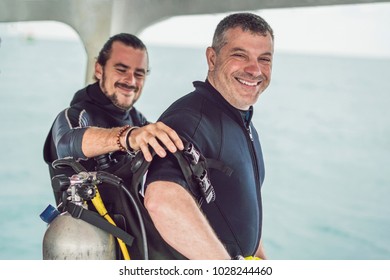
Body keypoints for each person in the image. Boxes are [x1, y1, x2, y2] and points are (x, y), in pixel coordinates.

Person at [143, 12, 274, 260]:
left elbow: (237, 209)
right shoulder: (188, 121)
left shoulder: (243, 123)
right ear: (212, 58)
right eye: (240, 55)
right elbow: (162, 201)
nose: (254, 69)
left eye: (264, 59)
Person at [43, 33, 184, 205]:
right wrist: (127, 137)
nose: (131, 81)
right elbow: (66, 144)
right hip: (83, 228)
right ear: (99, 70)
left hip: (130, 226)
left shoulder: (137, 119)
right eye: (121, 70)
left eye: (139, 74)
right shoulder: (74, 115)